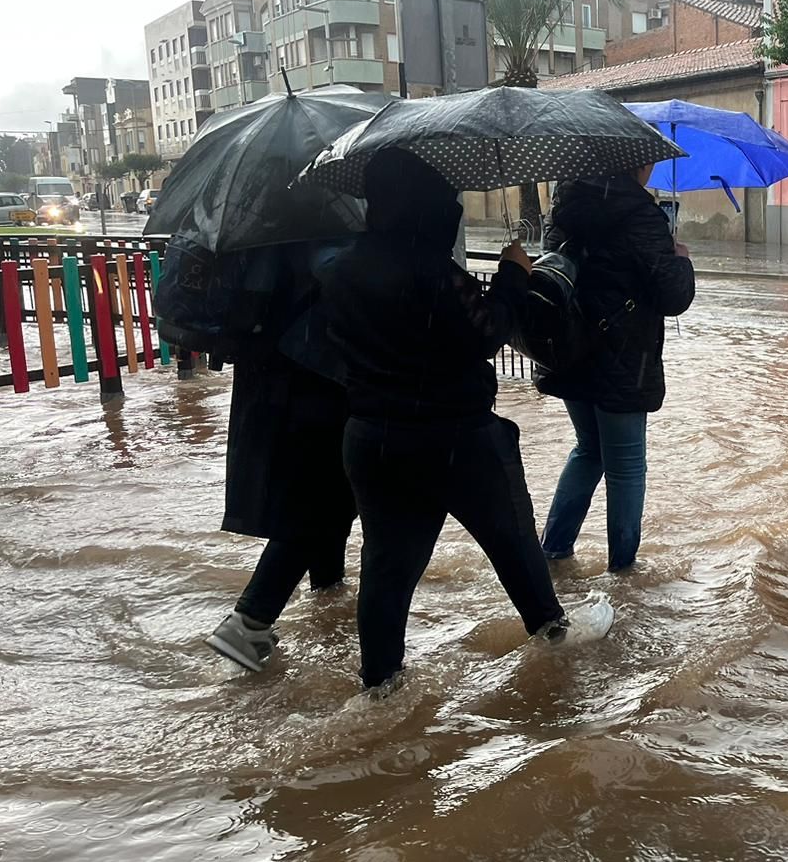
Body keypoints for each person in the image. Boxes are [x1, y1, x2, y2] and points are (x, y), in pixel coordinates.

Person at [315, 148, 579, 692]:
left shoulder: (339, 271)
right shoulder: (435, 273)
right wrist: (512, 277)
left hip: (373, 439)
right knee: (513, 544)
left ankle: (380, 686)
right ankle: (559, 648)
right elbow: (486, 334)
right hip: (456, 438)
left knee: (387, 570)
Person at [535, 166, 696, 572]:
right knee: (626, 465)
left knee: (588, 448)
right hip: (623, 356)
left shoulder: (564, 206)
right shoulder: (642, 214)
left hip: (570, 348)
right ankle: (623, 570)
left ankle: (553, 549)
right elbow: (673, 296)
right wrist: (681, 261)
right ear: (636, 164)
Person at [206, 242, 356, 673]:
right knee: (322, 502)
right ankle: (249, 623)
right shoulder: (317, 233)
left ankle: (328, 596)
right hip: (312, 376)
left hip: (274, 374)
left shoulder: (267, 229)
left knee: (326, 496)